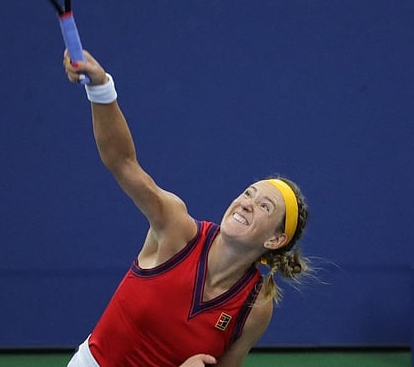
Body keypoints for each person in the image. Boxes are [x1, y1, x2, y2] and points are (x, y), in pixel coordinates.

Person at [63, 50, 310, 367]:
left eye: (264, 205)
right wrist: (100, 86)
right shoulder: (177, 229)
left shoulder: (257, 304)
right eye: (248, 193)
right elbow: (122, 162)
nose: (246, 203)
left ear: (275, 240)